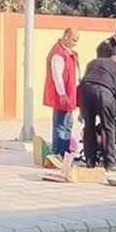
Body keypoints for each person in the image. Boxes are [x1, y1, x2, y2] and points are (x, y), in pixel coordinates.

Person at [77, 42, 116, 169]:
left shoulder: (91, 63)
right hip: (104, 93)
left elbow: (85, 79)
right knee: (108, 127)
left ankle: (90, 160)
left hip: (84, 92)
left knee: (89, 127)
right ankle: (109, 163)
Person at [43, 28, 79, 160]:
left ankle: (65, 152)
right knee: (60, 124)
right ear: (66, 36)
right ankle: (57, 153)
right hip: (63, 94)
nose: (75, 43)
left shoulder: (70, 53)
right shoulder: (58, 54)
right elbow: (57, 76)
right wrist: (62, 93)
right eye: (73, 40)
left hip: (70, 94)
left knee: (68, 124)